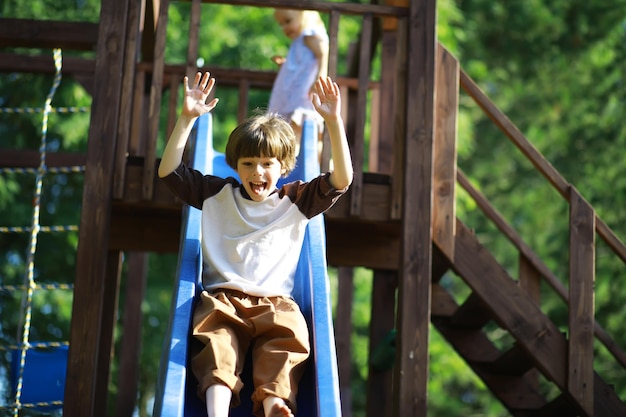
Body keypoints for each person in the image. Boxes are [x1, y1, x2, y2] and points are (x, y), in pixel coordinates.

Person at [158, 72, 352, 417]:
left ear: (284, 167)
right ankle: (217, 411)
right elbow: (169, 171)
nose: (257, 172)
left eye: (267, 164)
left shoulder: (296, 201)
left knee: (287, 343)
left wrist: (334, 122)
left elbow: (342, 179)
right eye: (248, 164)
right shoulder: (216, 194)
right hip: (223, 301)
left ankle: (274, 404)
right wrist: (186, 118)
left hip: (276, 303)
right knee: (217, 346)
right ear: (235, 166)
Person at [268, 9, 329, 156]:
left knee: (297, 132)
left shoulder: (309, 34)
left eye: (288, 21)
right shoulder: (300, 40)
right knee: (297, 133)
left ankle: (297, 164)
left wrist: (320, 77)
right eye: (281, 24)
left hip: (302, 95)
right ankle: (304, 164)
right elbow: (303, 64)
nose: (284, 28)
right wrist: (286, 65)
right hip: (295, 95)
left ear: (304, 15)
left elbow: (323, 53)